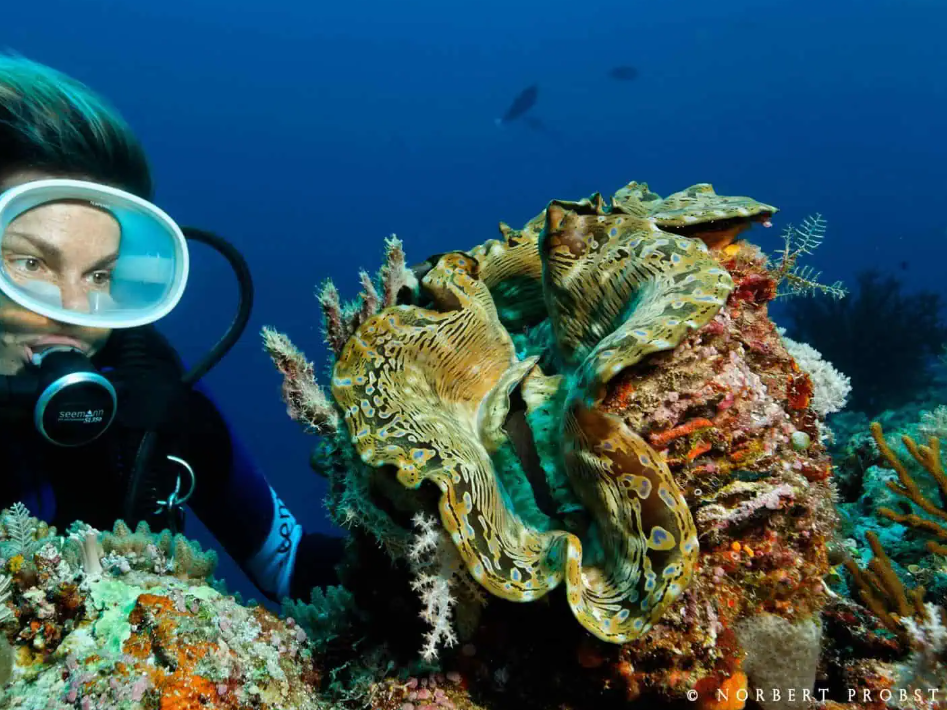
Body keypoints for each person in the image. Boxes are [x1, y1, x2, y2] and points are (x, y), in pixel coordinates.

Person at [0, 53, 344, 602]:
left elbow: (291, 564)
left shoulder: (154, 398)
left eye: (99, 274)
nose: (74, 310)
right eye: (31, 264)